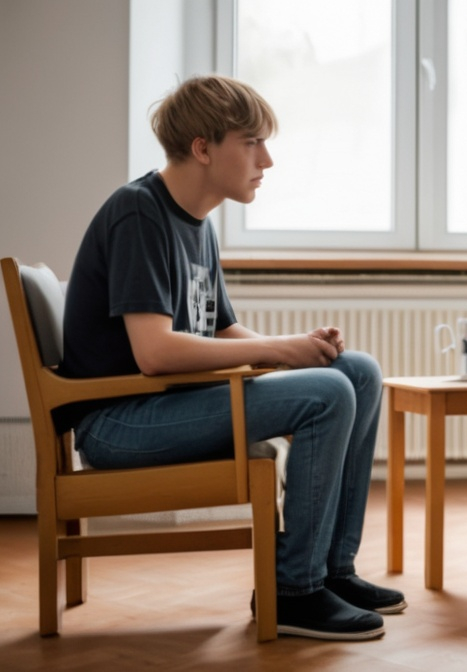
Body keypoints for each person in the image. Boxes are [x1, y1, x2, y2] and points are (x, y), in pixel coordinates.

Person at [57, 75, 405, 641]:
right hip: (118, 421)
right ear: (202, 148)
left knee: (356, 373)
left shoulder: (197, 224)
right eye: (251, 142)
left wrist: (300, 349)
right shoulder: (138, 213)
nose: (266, 159)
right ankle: (295, 591)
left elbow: (221, 330)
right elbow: (155, 352)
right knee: (328, 393)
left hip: (169, 403)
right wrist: (281, 352)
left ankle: (331, 571)